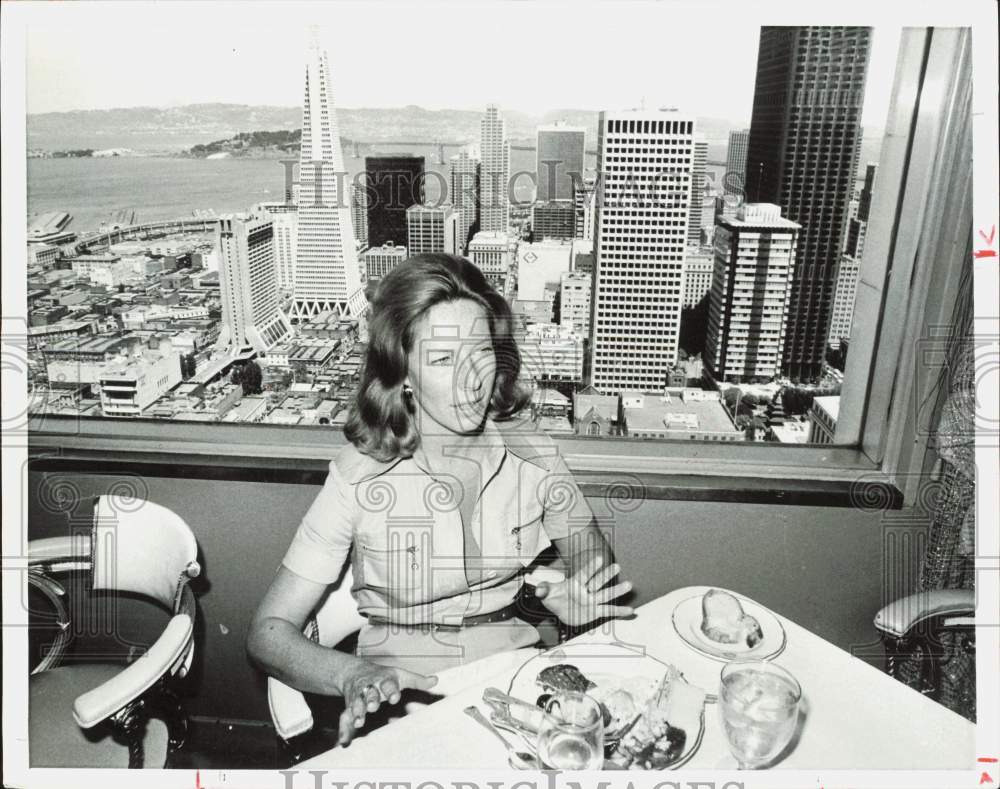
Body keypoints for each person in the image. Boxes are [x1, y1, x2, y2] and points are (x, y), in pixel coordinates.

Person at [247, 253, 633, 745]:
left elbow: (593, 567)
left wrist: (580, 609)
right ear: (402, 373)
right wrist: (353, 675)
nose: (470, 379)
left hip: (518, 679)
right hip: (405, 694)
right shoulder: (359, 478)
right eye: (442, 358)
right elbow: (267, 633)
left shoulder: (536, 456)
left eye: (480, 351)